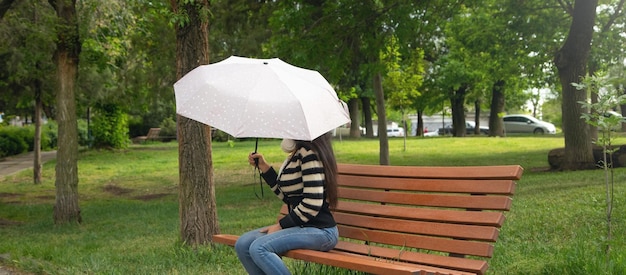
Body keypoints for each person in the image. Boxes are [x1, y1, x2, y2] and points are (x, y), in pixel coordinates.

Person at [235, 132, 339, 275]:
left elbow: (312, 202)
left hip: (321, 231)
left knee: (259, 248)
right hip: (302, 227)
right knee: (243, 244)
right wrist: (264, 168)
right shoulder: (297, 154)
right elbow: (289, 198)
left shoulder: (308, 154)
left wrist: (280, 226)